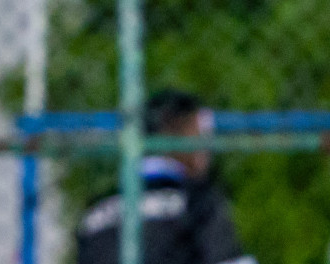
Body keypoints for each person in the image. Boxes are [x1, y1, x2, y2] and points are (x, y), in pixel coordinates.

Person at [76, 90, 256, 264]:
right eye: (200, 133)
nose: (206, 148)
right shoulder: (196, 202)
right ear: (178, 131)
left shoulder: (95, 210)